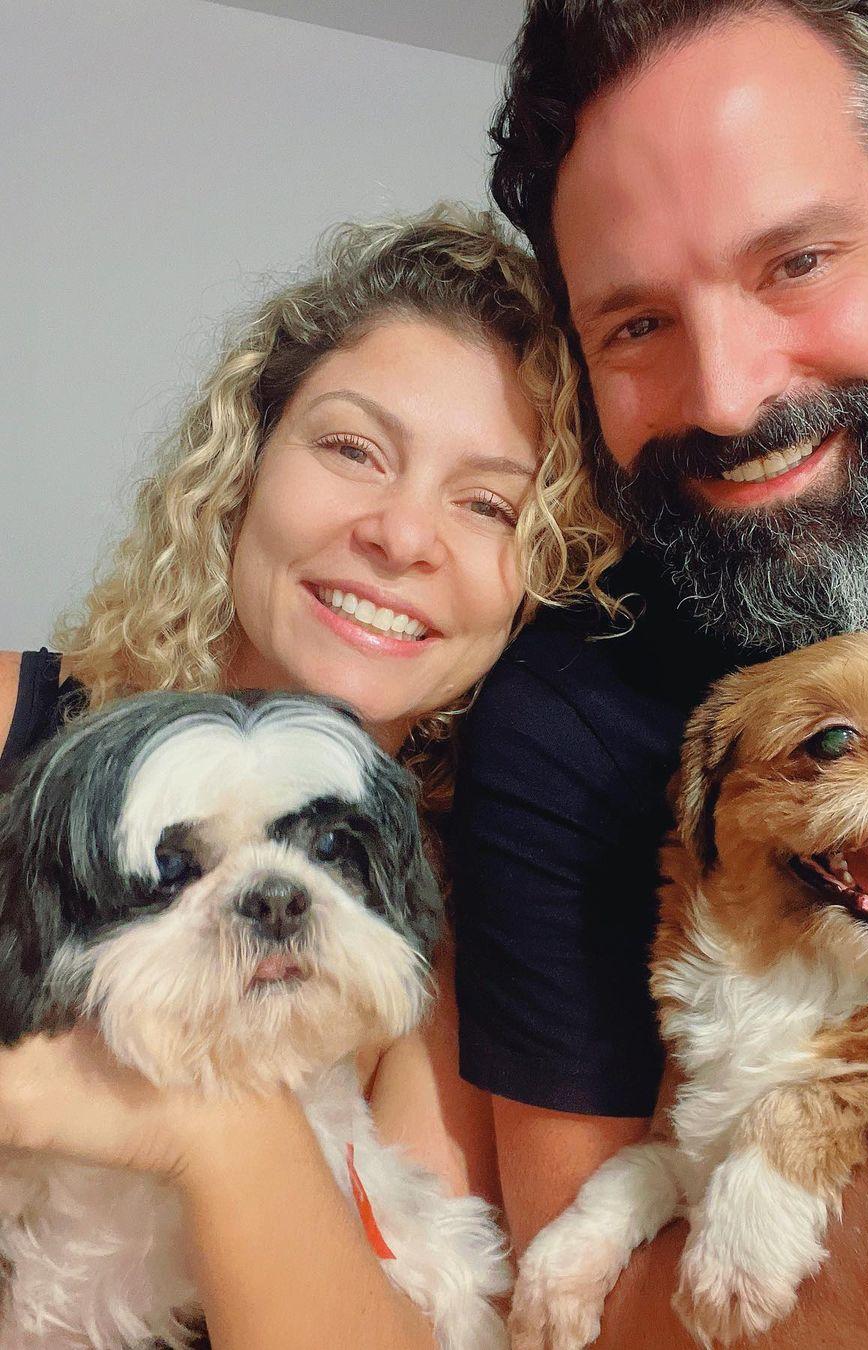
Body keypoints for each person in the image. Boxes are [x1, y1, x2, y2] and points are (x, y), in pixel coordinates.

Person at [450, 3, 868, 1347]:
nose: (728, 398)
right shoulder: (564, 718)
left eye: (795, 260)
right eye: (633, 323)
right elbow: (605, 1329)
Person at [0, 205, 622, 1349]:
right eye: (352, 448)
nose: (401, 534)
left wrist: (213, 1128)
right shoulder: (9, 720)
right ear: (245, 458)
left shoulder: (467, 916)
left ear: (540, 579)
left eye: (487, 503)